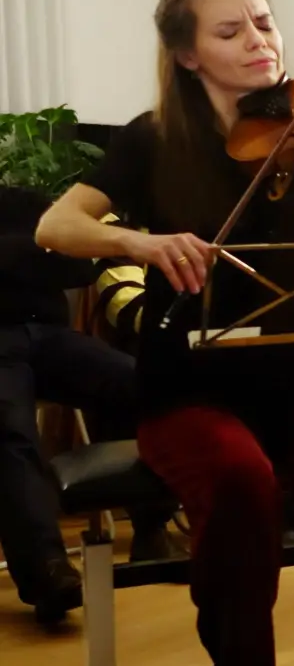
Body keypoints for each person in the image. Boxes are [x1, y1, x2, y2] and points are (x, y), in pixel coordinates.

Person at [35, 0, 294, 665]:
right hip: (193, 384)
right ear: (189, 55)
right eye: (230, 30)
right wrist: (139, 240)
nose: (260, 40)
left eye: (264, 21)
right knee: (238, 482)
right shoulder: (152, 141)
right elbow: (57, 225)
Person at [0, 186, 175, 624]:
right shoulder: (30, 221)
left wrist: (19, 255)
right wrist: (34, 252)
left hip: (51, 338)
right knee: (11, 432)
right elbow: (53, 256)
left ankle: (151, 528)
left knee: (150, 387)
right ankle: (47, 572)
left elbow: (78, 265)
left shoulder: (22, 201)